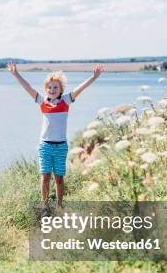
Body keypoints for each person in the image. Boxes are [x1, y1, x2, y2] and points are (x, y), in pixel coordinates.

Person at [7, 61, 104, 209]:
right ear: (46, 89)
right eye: (49, 87)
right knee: (45, 176)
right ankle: (44, 205)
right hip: (45, 145)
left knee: (59, 178)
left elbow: (81, 88)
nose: (52, 89)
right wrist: (16, 74)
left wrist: (93, 77)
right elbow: (28, 87)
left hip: (61, 146)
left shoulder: (66, 100)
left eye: (55, 87)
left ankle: (60, 205)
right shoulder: (42, 101)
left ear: (61, 89)